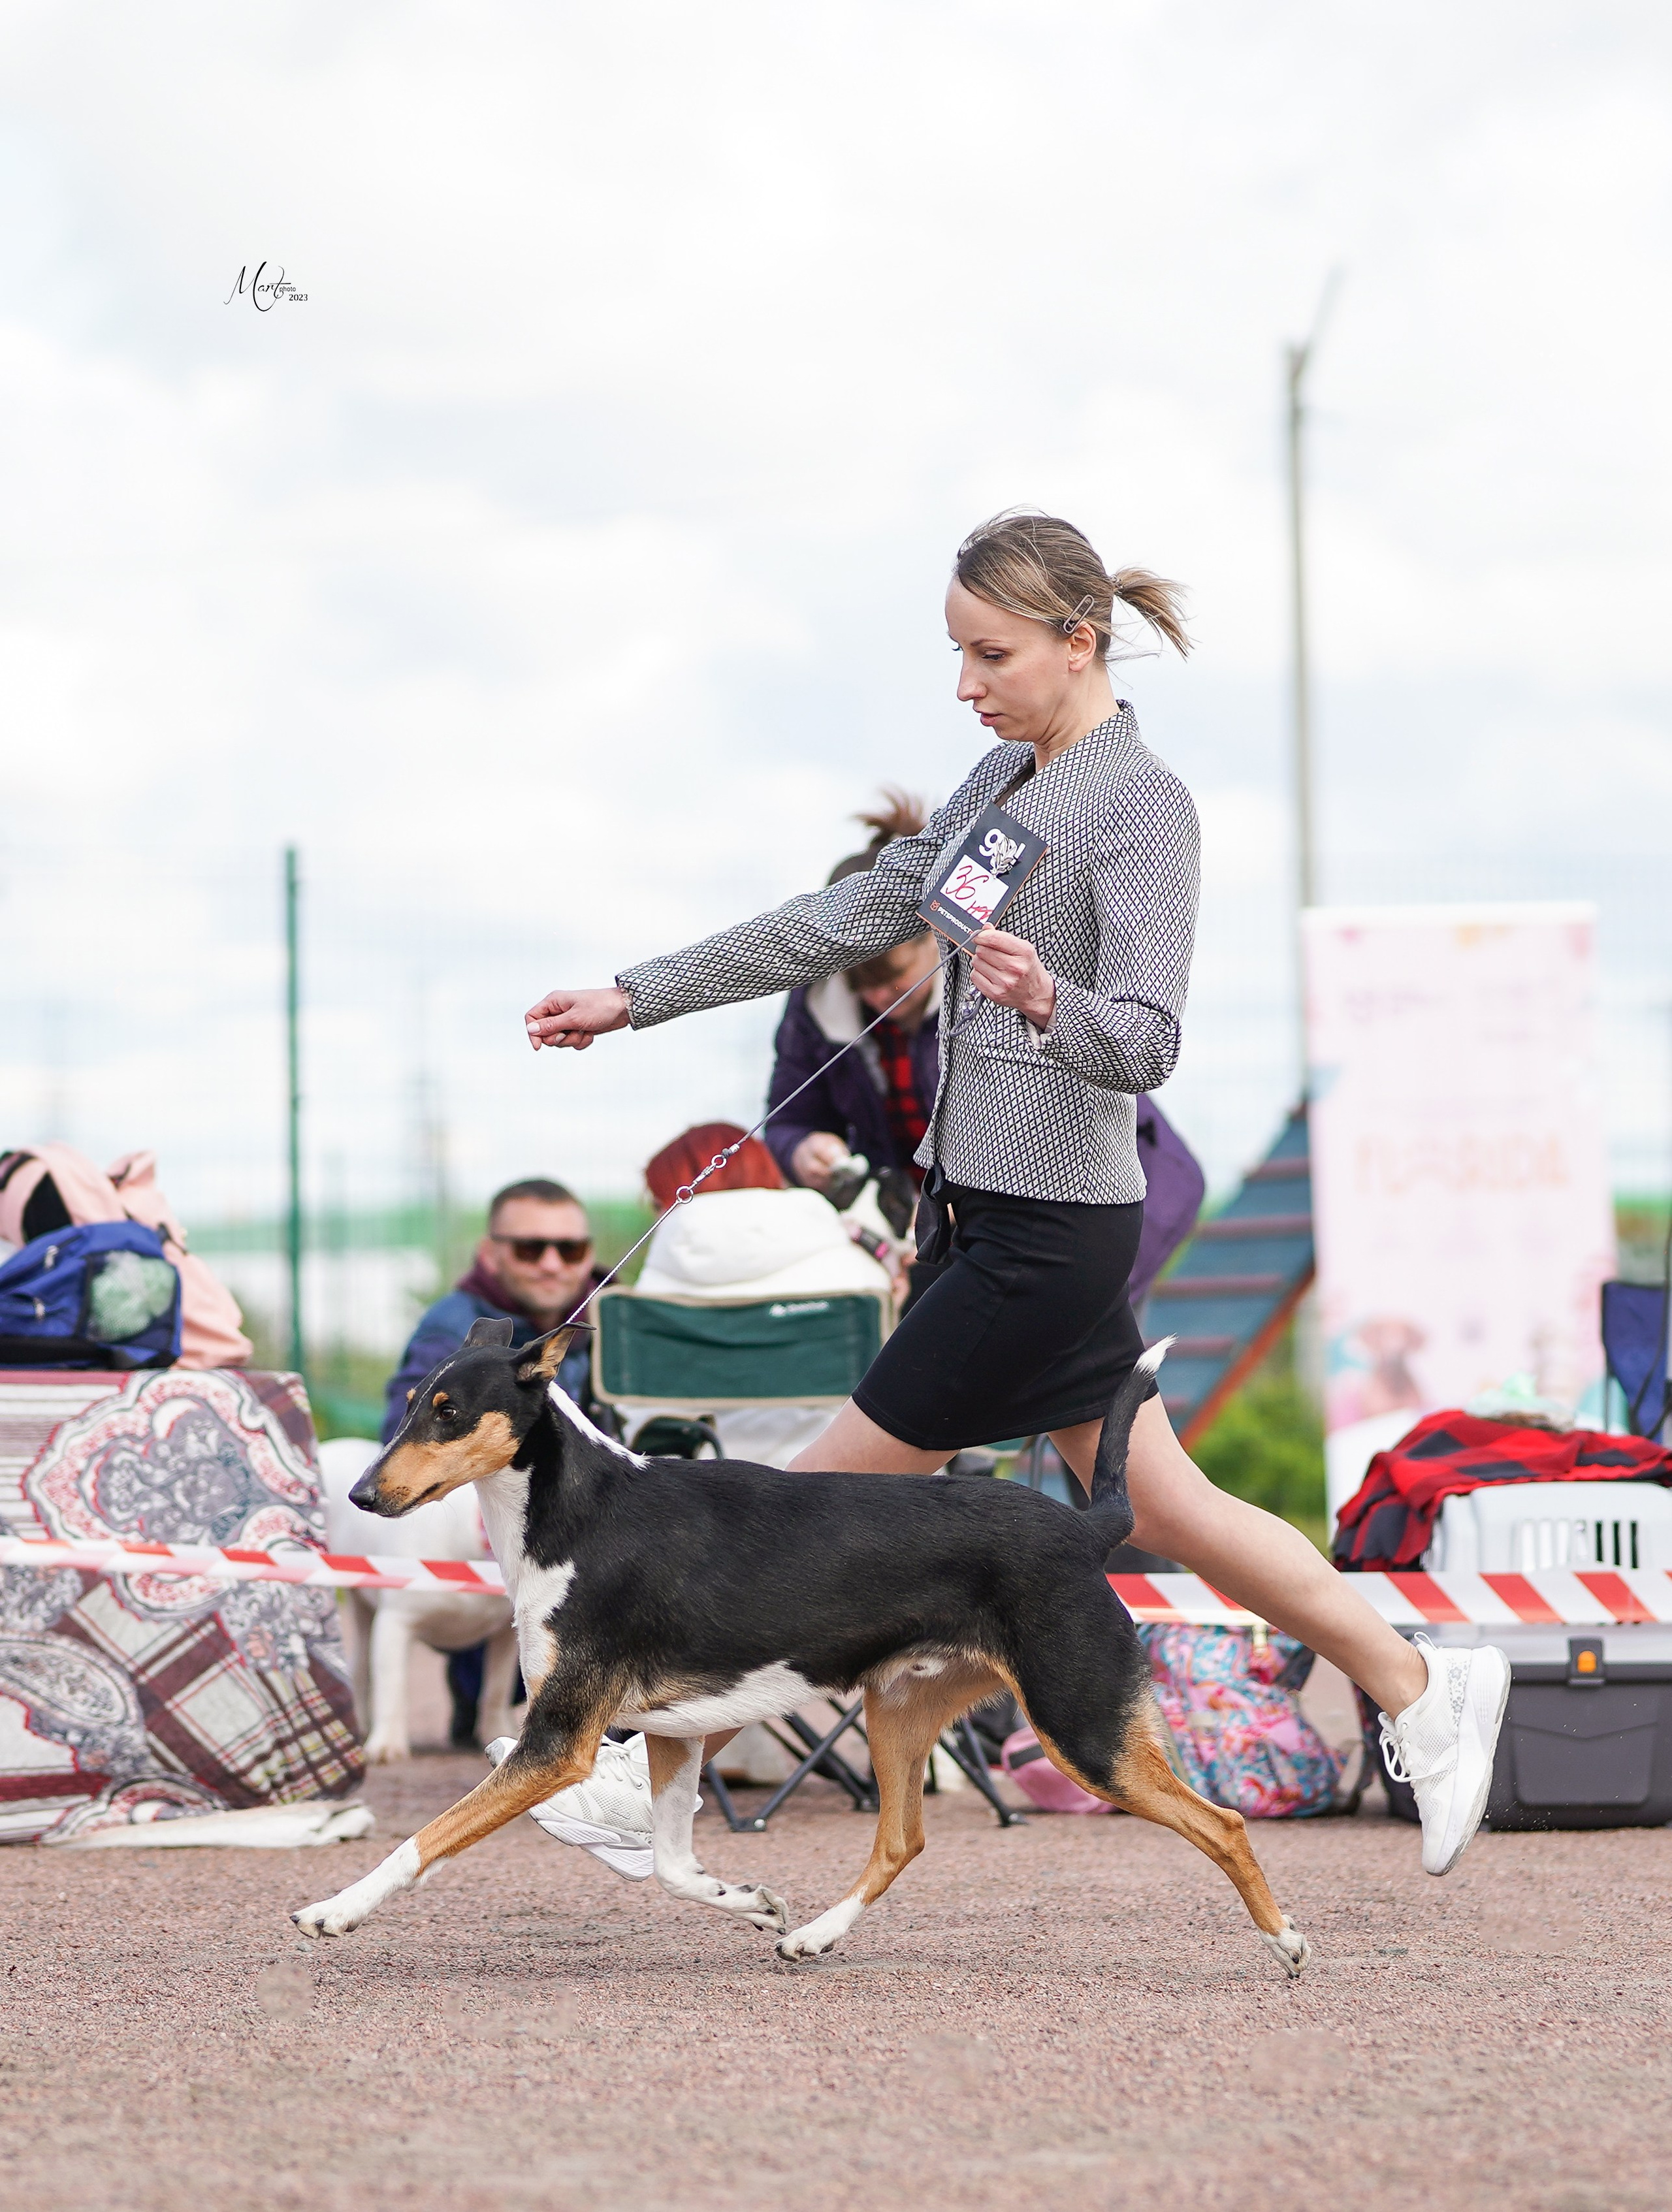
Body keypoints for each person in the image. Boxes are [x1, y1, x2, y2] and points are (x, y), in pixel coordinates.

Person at [523, 507, 1509, 1883]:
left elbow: (1149, 1040)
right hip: (982, 1220)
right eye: (957, 654)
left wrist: (1051, 1000)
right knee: (1168, 1509)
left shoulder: (1142, 806)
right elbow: (845, 918)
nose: (965, 684)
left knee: (790, 1516)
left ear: (1077, 640)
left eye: (989, 655)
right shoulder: (1000, 782)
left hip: (1047, 1238)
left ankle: (641, 1770)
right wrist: (636, 995)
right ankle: (1417, 1680)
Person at [381, 1176, 601, 1749]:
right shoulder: (451, 1326)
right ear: (490, 1253)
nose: (552, 1263)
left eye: (571, 1249)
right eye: (530, 1248)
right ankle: (486, 1706)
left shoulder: (614, 1310)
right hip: (496, 1542)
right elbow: (404, 1431)